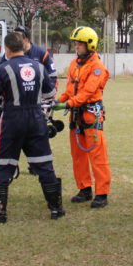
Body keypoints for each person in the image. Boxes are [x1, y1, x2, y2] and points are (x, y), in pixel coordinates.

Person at [0, 32, 64, 223]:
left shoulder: (3, 68)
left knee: (1, 164)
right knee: (44, 164)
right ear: (24, 46)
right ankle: (56, 208)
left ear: (7, 49)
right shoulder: (39, 67)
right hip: (36, 119)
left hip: (12, 120)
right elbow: (50, 94)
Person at [52, 26, 111, 208]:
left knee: (97, 155)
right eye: (75, 43)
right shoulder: (74, 64)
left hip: (90, 115)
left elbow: (87, 92)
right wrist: (58, 101)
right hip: (76, 116)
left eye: (79, 43)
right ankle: (84, 188)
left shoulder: (97, 68)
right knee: (78, 155)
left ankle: (102, 193)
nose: (76, 46)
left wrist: (69, 103)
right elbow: (70, 90)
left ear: (90, 45)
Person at [0, 26, 58, 90]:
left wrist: (47, 91)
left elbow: (53, 75)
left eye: (18, 37)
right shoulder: (10, 53)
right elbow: (0, 72)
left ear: (27, 40)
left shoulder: (41, 53)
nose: (15, 39)